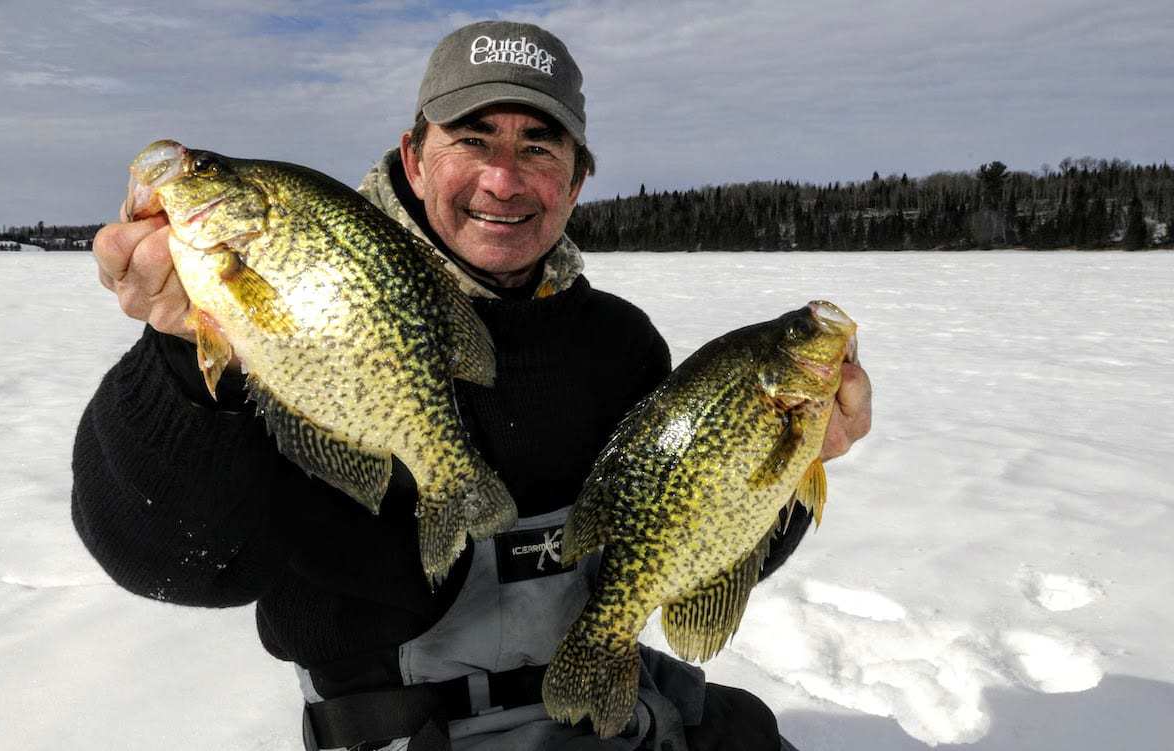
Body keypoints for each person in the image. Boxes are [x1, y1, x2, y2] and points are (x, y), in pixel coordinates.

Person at [76, 19, 872, 751]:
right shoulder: (305, 313)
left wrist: (790, 473)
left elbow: (676, 548)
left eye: (539, 146)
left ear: (577, 180)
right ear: (415, 157)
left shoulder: (618, 345)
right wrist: (184, 359)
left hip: (602, 714)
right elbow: (168, 561)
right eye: (472, 137)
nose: (503, 178)